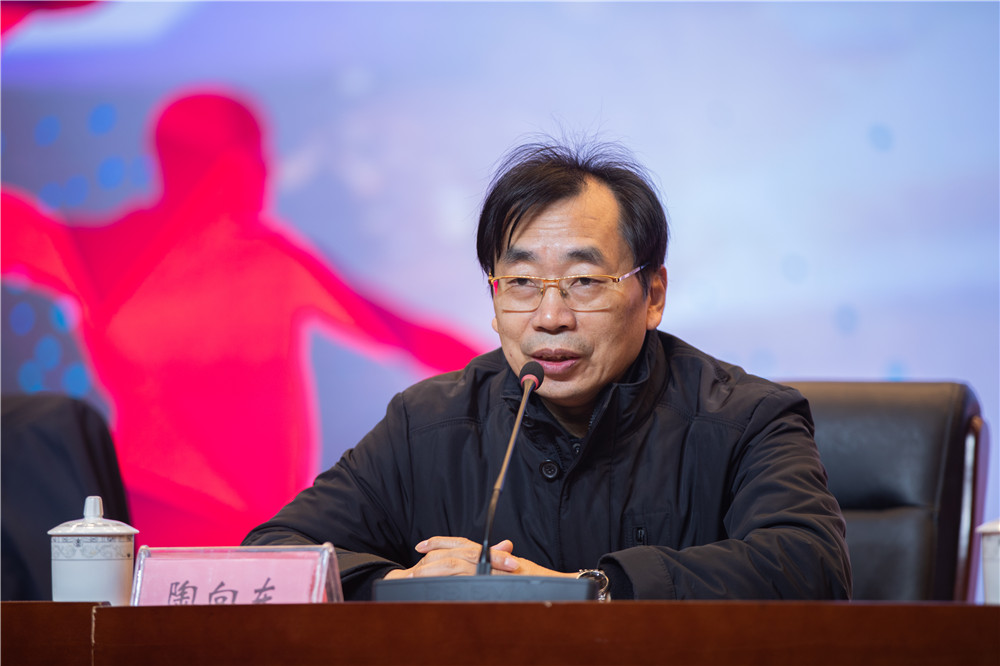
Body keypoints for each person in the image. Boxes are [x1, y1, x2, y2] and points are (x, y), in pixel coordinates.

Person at [243, 140, 853, 601]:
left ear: (653, 295)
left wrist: (593, 592)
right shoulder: (427, 423)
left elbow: (809, 564)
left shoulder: (747, 418)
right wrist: (400, 585)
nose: (550, 317)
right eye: (522, 282)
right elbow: (272, 556)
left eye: (584, 281)